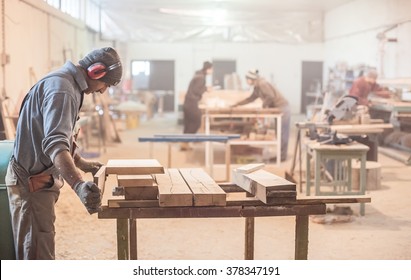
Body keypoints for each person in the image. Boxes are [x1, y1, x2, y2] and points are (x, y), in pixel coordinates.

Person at [5, 47, 123, 259]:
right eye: (107, 84)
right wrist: (78, 186)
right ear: (96, 72)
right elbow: (55, 144)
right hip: (31, 183)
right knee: (37, 255)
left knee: (40, 245)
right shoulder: (63, 90)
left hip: (38, 179)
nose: (104, 90)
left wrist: (80, 162)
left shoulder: (67, 84)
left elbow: (56, 133)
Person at [231, 69, 291, 161]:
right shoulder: (257, 87)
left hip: (282, 108)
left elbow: (270, 96)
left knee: (282, 133)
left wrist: (264, 106)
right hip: (277, 109)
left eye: (247, 79)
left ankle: (282, 157)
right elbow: (251, 98)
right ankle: (281, 156)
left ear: (251, 79)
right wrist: (237, 104)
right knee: (279, 132)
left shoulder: (262, 84)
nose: (246, 81)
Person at [181, 61, 213, 150]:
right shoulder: (201, 77)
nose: (212, 71)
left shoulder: (198, 75)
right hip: (191, 102)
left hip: (187, 102)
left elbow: (196, 88)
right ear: (208, 69)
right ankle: (186, 141)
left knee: (188, 124)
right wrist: (206, 89)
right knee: (196, 122)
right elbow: (196, 90)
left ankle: (184, 143)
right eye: (211, 69)